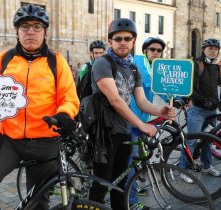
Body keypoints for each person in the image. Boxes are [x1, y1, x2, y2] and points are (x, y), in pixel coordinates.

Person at [0, 4, 79, 210]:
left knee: (38, 201)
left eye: (37, 27)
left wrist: (65, 114)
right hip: (9, 140)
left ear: (45, 31)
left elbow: (69, 97)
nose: (30, 32)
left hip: (45, 141)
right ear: (17, 31)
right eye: (24, 26)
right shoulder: (4, 59)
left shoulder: (56, 61)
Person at [88, 18, 175, 210]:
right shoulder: (103, 63)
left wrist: (161, 111)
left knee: (120, 184)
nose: (123, 42)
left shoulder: (133, 68)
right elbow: (115, 100)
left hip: (124, 130)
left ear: (134, 41)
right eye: (117, 38)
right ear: (110, 41)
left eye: (127, 38)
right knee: (101, 185)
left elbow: (142, 101)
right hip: (104, 133)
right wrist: (142, 125)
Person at [127, 37, 167, 209]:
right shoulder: (139, 62)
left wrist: (176, 98)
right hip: (131, 118)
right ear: (145, 51)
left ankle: (133, 188)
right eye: (153, 49)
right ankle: (131, 201)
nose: (156, 53)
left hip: (140, 117)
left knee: (134, 159)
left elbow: (158, 86)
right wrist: (175, 93)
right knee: (130, 160)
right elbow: (155, 83)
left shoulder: (152, 65)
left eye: (159, 50)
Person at [179, 38, 221, 183]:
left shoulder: (216, 67)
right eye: (210, 48)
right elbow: (188, 87)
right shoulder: (196, 65)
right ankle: (183, 170)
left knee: (208, 141)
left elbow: (216, 86)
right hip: (197, 110)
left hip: (211, 111)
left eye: (216, 49)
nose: (213, 50)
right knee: (191, 141)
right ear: (203, 50)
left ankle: (207, 166)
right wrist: (203, 100)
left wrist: (216, 102)